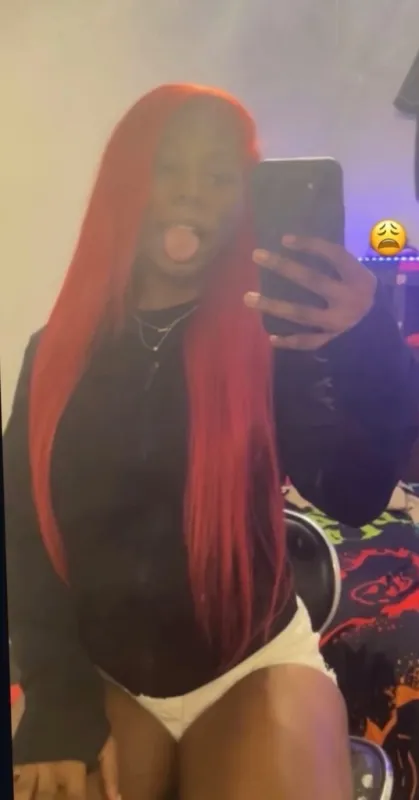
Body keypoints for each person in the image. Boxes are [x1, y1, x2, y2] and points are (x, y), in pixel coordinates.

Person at [5, 83, 418, 800]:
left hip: (253, 666)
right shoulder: (55, 353)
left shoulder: (271, 337)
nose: (192, 191)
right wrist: (54, 696)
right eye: (168, 167)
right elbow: (22, 533)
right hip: (103, 676)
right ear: (127, 183)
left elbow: (353, 495)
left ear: (242, 200)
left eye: (220, 176)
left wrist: (365, 339)